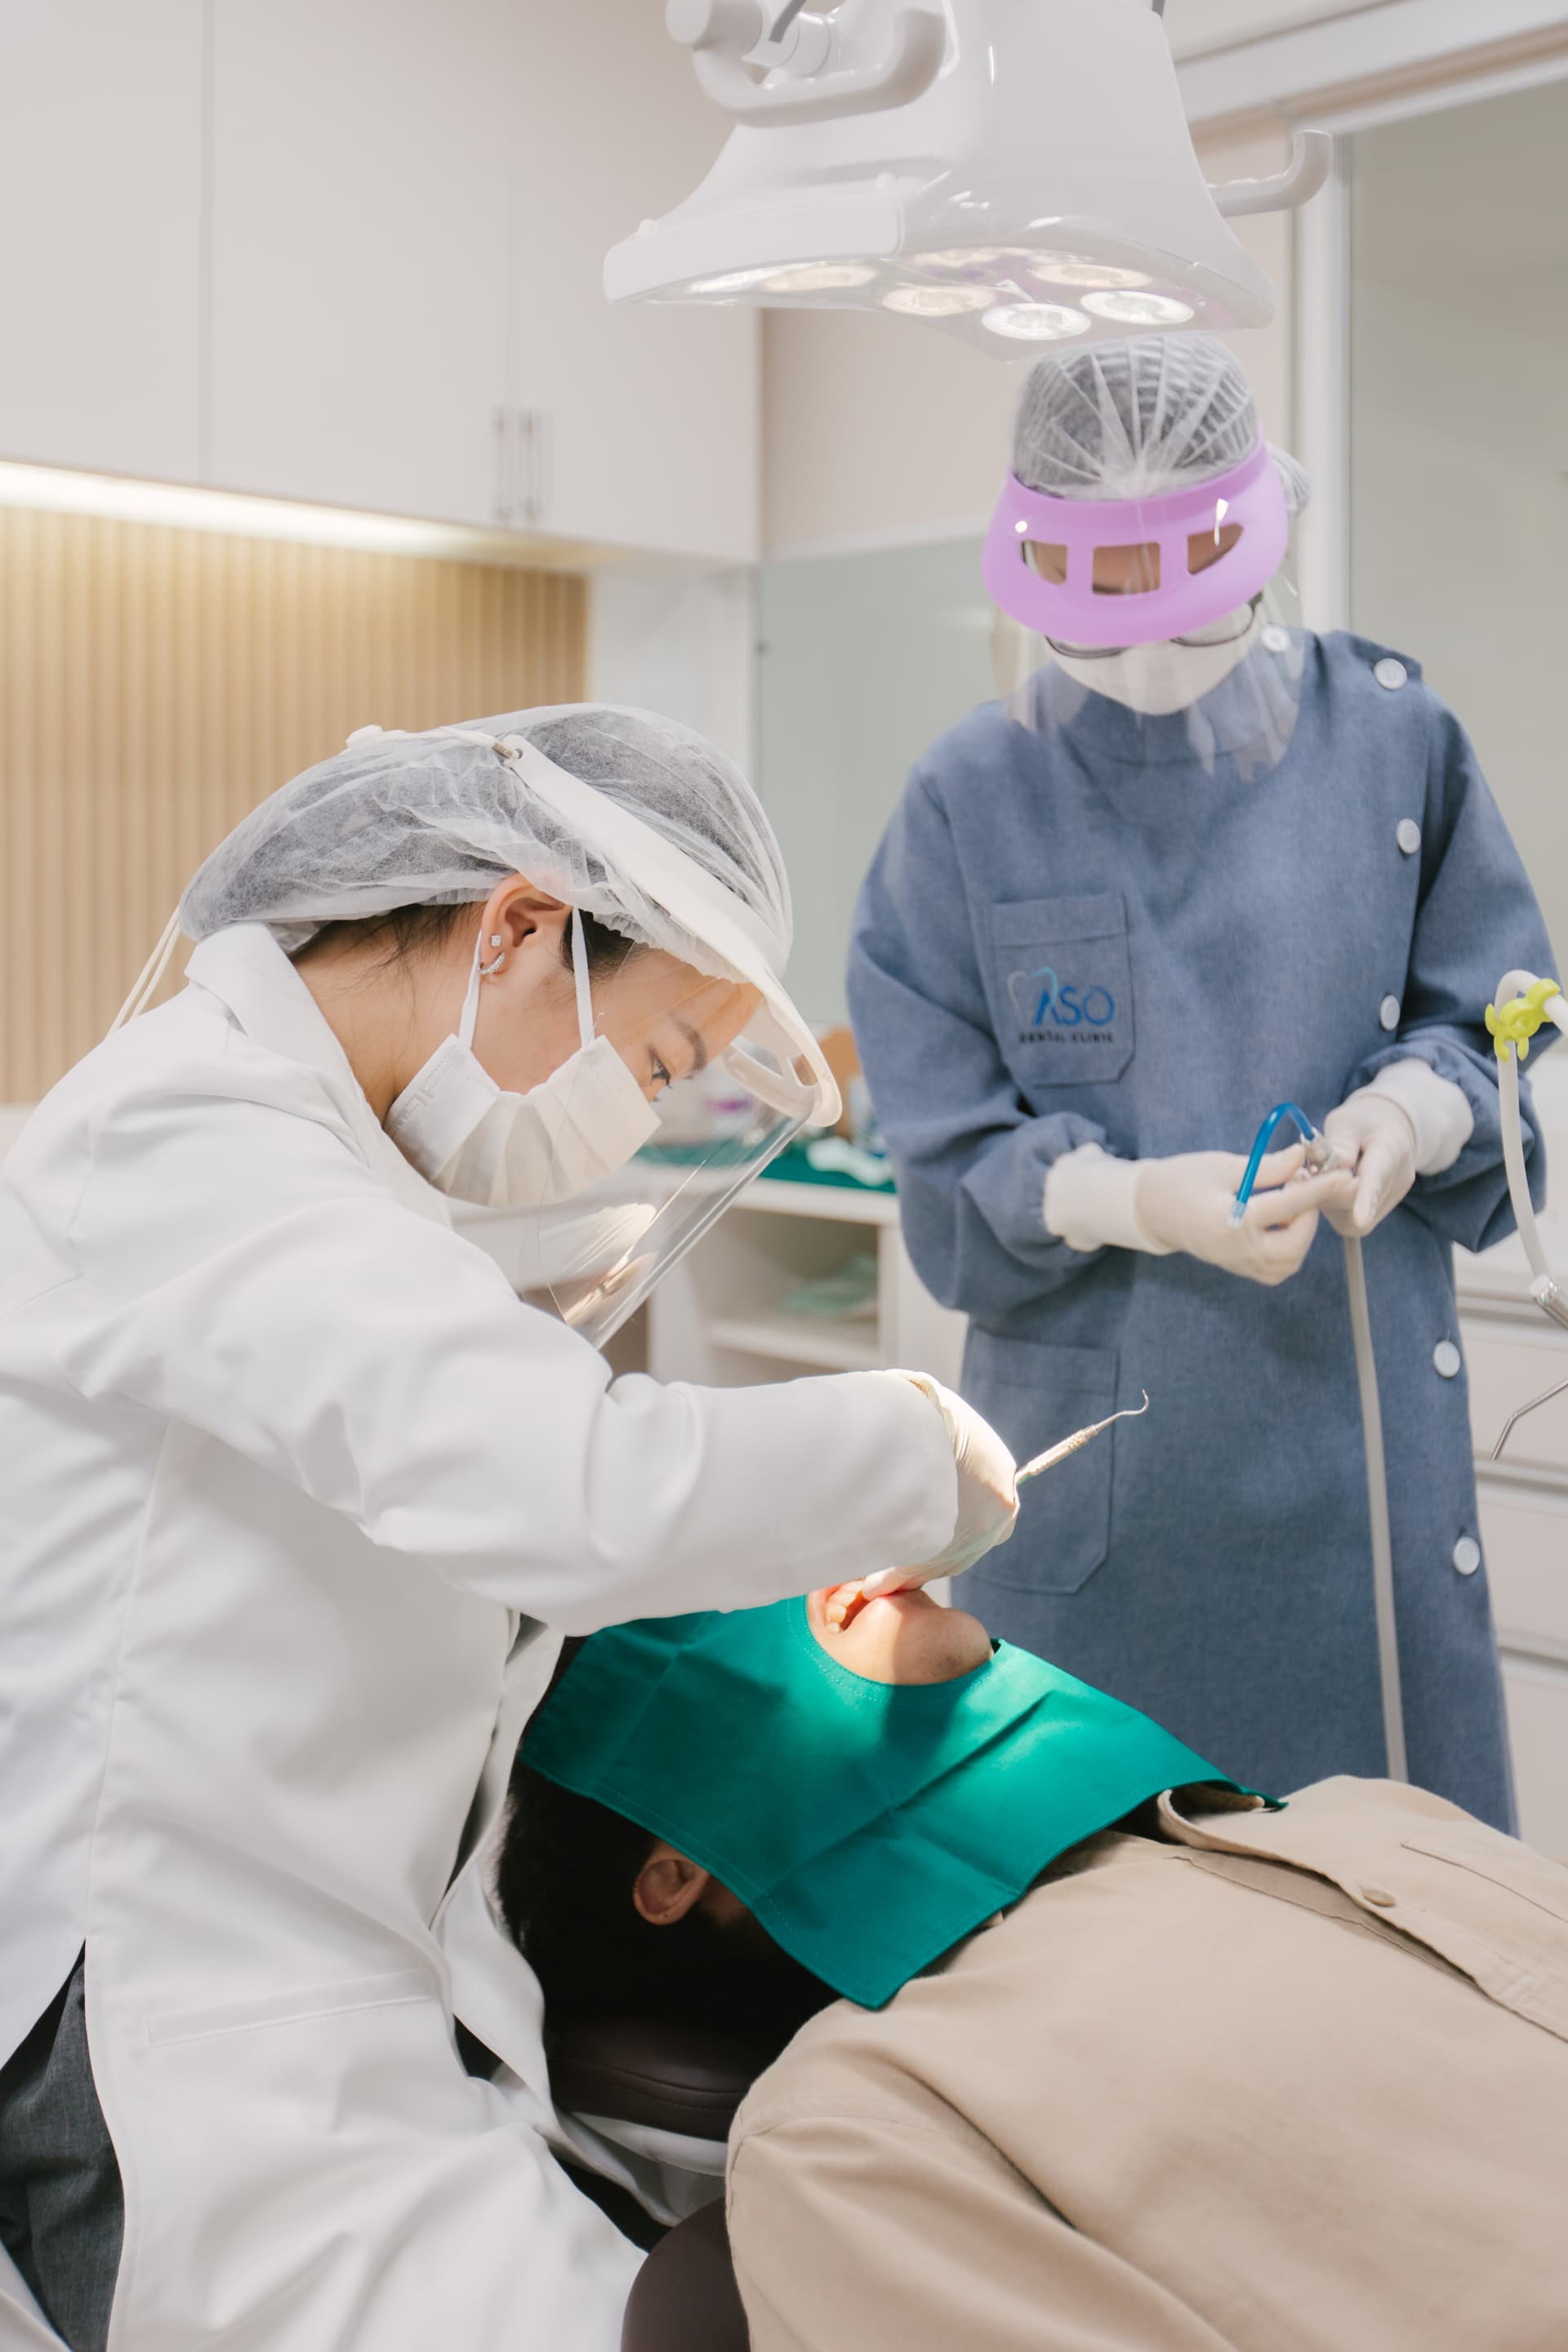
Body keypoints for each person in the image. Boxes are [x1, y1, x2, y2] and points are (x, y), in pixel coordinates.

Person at [0, 705, 1019, 2352]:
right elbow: (578, 1493)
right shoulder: (186, 1133)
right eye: (662, 1064)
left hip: (345, 2001)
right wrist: (919, 1453)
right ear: (523, 928)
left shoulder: (351, 1183)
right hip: (164, 2031)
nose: (634, 1126)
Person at [848, 331, 1557, 1825]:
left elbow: (1501, 1026)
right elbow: (943, 1147)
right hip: (1102, 1487)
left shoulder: (1396, 744)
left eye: (1177, 601)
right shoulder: (970, 797)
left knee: (1389, 1922)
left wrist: (1407, 1119)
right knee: (1084, 1921)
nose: (1146, 657)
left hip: (1351, 1455)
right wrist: (1136, 1199)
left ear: (1261, 532)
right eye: (1095, 618)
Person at [503, 1583, 1568, 2352]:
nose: (830, 1571)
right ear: (674, 1875)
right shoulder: (848, 2137)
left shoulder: (1362, 1817)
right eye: (721, 1613)